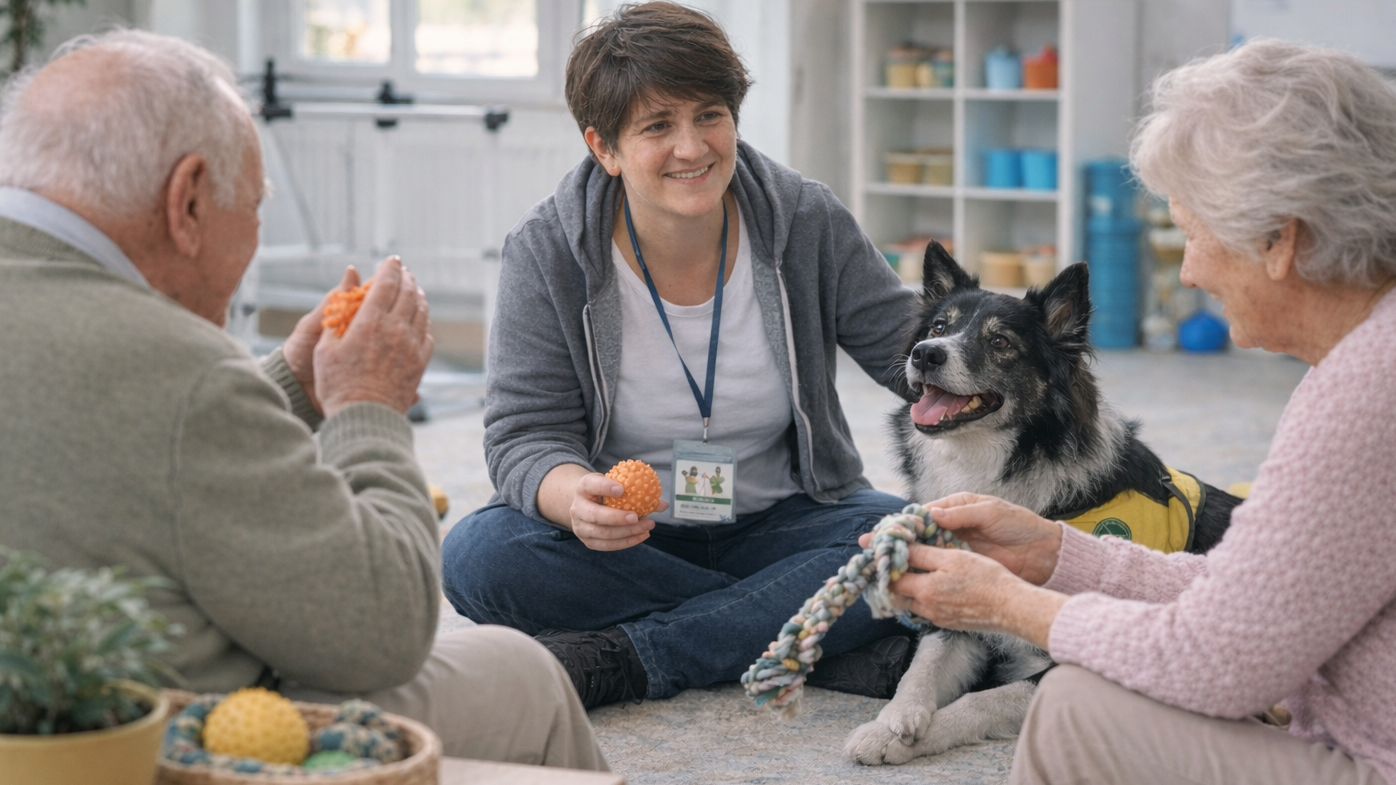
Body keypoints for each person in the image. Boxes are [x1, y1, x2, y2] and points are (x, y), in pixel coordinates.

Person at [0, 30, 607, 770]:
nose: (255, 232)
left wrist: (292, 380)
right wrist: (369, 406)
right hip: (168, 739)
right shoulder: (183, 370)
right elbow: (382, 627)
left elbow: (128, 439)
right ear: (186, 201)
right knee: (525, 673)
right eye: (253, 207)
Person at [871, 39, 1396, 784]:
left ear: (1281, 239)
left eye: (1192, 230)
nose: (1188, 269)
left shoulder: (1364, 396)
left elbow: (1220, 660)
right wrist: (1057, 553)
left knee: (1074, 704)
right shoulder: (1362, 360)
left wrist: (1016, 605)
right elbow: (1240, 606)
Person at [441, 1, 920, 709]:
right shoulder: (546, 251)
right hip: (626, 545)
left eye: (709, 115)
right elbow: (523, 436)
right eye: (657, 126)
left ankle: (635, 656)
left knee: (915, 546)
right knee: (479, 556)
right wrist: (573, 496)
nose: (692, 148)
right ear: (603, 147)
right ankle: (806, 640)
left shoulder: (805, 219)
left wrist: (1006, 356)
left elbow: (911, 350)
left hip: (781, 517)